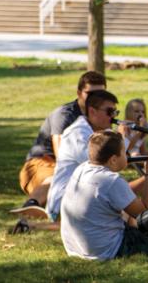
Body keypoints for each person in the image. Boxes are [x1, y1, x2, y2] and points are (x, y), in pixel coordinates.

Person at [60, 131, 148, 260]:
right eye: (124, 152)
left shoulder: (83, 168)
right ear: (113, 160)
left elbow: (125, 193)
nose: (127, 155)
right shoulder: (111, 180)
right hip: (110, 251)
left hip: (76, 249)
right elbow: (147, 215)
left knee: (127, 214)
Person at [46, 90, 148, 222]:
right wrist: (122, 138)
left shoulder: (100, 133)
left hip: (85, 200)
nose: (114, 116)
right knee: (125, 203)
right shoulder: (77, 134)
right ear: (92, 111)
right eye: (110, 112)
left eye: (116, 112)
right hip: (64, 206)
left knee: (124, 202)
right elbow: (109, 166)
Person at [10, 71, 106, 219]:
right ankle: (30, 206)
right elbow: (61, 154)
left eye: (101, 93)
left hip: (74, 166)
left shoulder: (101, 115)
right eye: (90, 94)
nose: (96, 98)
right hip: (41, 162)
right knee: (57, 177)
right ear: (79, 93)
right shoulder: (65, 115)